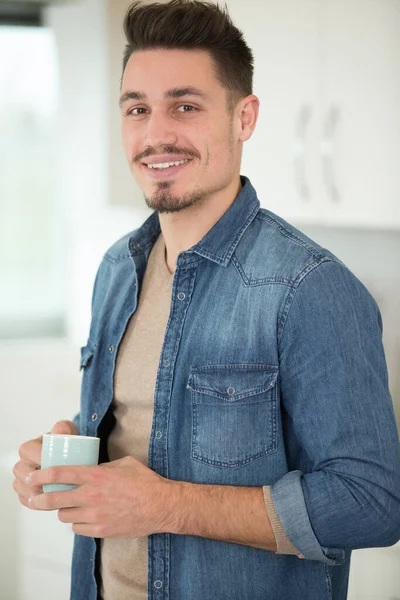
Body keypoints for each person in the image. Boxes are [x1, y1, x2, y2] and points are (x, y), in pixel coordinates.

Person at [12, 1, 400, 599]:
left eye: (185, 107)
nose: (156, 134)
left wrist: (165, 505)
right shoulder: (118, 268)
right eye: (137, 109)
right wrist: (68, 459)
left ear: (244, 118)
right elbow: (139, 437)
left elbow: (372, 503)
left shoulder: (309, 288)